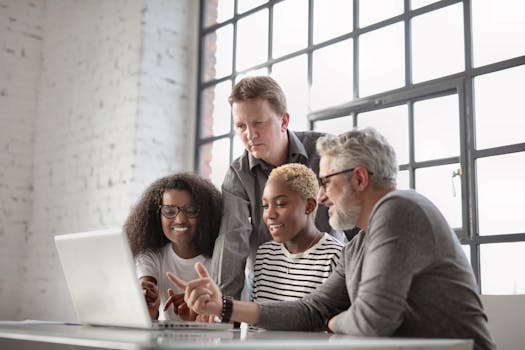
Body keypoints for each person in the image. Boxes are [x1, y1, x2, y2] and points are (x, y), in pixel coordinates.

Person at [167, 128, 496, 350]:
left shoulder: (401, 209)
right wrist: (225, 307)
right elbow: (311, 310)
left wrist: (334, 322)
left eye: (325, 182)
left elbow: (371, 322)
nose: (321, 196)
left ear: (360, 177)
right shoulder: (358, 246)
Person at [211, 75, 346, 300]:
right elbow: (231, 241)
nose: (250, 135)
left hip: (328, 277)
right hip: (271, 285)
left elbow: (355, 218)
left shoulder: (325, 152)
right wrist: (223, 308)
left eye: (258, 123)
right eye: (241, 126)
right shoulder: (238, 174)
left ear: (284, 121)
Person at [124, 173, 222, 320]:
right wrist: (146, 302)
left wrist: (199, 311)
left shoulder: (220, 258)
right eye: (169, 211)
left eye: (190, 210)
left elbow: (234, 322)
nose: (180, 219)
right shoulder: (152, 257)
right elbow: (146, 286)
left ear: (205, 215)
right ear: (158, 217)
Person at [253, 163, 343, 302]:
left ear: (309, 206)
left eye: (281, 204)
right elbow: (256, 320)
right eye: (265, 205)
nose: (269, 214)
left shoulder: (336, 257)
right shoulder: (265, 254)